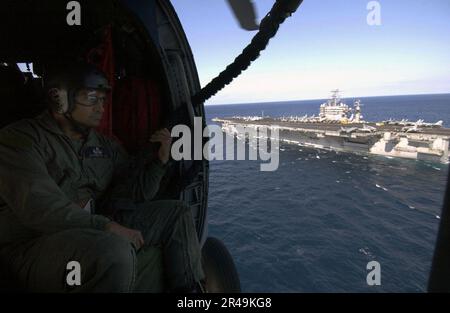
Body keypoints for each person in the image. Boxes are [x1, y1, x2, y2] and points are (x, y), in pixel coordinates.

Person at [0, 63, 205, 292]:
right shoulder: (19, 140)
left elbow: (135, 193)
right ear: (60, 99)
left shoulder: (104, 145)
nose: (100, 108)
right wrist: (105, 226)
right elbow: (39, 207)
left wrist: (160, 161)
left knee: (177, 214)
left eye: (102, 100)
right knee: (113, 252)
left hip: (92, 229)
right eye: (91, 98)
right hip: (35, 243)